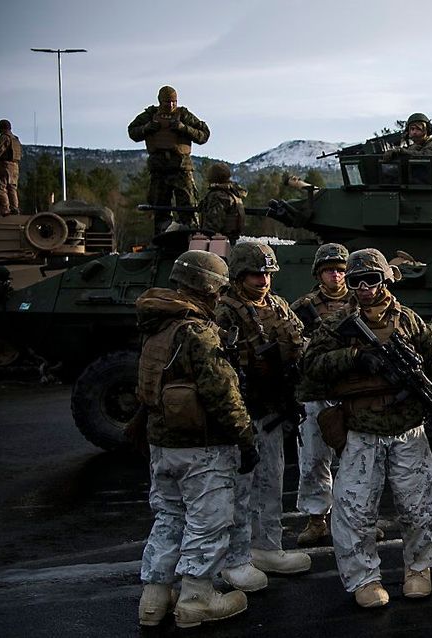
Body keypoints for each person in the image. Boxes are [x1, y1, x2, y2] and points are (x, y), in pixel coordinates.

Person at [302, 249, 432, 608]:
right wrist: (355, 357)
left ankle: (419, 569)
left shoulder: (410, 322)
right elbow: (311, 366)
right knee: (355, 510)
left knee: (419, 506)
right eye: (356, 281)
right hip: (361, 430)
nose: (363, 288)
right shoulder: (337, 323)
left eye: (371, 280)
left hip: (408, 429)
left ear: (385, 280)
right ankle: (364, 578)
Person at [135, 250, 255, 628]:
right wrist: (245, 438)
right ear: (208, 288)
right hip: (202, 447)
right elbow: (222, 393)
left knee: (168, 517)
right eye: (218, 289)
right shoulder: (197, 332)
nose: (220, 297)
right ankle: (197, 600)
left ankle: (153, 600)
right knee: (208, 522)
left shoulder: (156, 326)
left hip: (163, 444)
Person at [216, 242, 310, 592]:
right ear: (239, 275)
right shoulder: (224, 312)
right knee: (239, 489)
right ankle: (236, 557)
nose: (264, 280)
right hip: (242, 412)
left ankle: (268, 547)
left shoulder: (279, 306)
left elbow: (300, 342)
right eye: (257, 274)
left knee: (271, 483)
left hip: (272, 409)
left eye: (268, 273)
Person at [290, 243, 351, 547]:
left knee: (354, 459)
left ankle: (353, 517)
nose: (336, 276)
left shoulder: (360, 303)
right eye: (330, 270)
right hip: (315, 391)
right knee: (313, 458)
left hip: (350, 391)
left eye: (341, 270)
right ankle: (317, 519)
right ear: (319, 273)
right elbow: (292, 346)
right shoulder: (303, 307)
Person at [128, 86, 210, 234]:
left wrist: (184, 128)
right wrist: (147, 128)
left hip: (181, 168)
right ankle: (163, 242)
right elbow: (132, 131)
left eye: (174, 102)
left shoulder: (183, 115)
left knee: (188, 208)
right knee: (160, 209)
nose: (171, 105)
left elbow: (204, 134)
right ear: (160, 101)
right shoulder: (150, 115)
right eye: (167, 102)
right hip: (159, 170)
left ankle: (191, 238)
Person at [197, 162, 248, 241]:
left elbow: (213, 225)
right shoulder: (233, 192)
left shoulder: (218, 196)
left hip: (217, 240)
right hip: (230, 238)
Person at [0, 119, 21, 217]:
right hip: (15, 166)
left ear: (1, 128)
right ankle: (14, 208)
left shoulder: (4, 137)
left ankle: (5, 210)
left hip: (5, 165)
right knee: (12, 188)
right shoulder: (15, 139)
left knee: (0, 188)